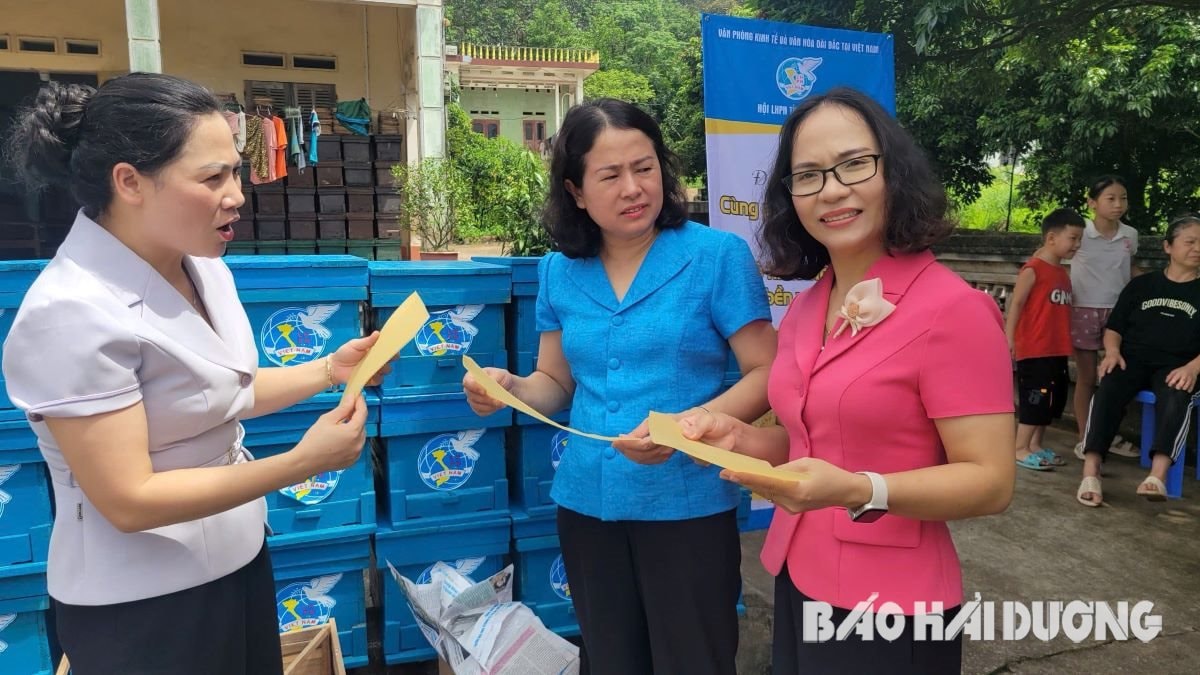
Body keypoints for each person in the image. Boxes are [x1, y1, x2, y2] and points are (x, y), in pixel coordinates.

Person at [0, 74, 388, 675]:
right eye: (212, 178)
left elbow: (220, 394)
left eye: (235, 171)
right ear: (129, 181)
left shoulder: (204, 267)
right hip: (143, 606)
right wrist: (300, 463)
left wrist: (328, 371)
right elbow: (130, 498)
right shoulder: (70, 313)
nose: (237, 194)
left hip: (238, 562)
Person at [677, 87, 1015, 674]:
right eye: (807, 175)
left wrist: (861, 491)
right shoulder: (810, 305)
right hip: (798, 573)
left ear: (895, 172)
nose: (831, 189)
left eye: (854, 164)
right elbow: (814, 445)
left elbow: (990, 482)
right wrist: (738, 439)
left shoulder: (954, 310)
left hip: (892, 605)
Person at [462, 98, 776, 675]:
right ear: (576, 191)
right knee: (610, 658)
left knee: (694, 659)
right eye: (610, 175)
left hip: (686, 503)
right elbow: (554, 382)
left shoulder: (716, 257)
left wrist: (689, 427)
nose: (633, 188)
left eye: (645, 167)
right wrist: (509, 387)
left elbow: (766, 373)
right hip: (587, 504)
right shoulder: (559, 271)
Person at [1076, 214, 1200, 506]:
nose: (1197, 249)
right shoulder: (1142, 285)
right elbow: (1114, 328)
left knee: (1176, 393)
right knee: (1108, 388)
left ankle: (1156, 477)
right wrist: (1113, 352)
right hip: (1131, 359)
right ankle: (1091, 470)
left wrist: (1193, 368)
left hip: (1179, 364)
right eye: (1190, 242)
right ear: (1168, 246)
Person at [1005, 208, 1085, 470]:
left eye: (1079, 239)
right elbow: (1016, 305)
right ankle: (1019, 448)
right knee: (1035, 398)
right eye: (1072, 238)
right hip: (1035, 348)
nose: (1077, 245)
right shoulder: (1033, 269)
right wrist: (1010, 338)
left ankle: (1035, 445)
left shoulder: (1062, 273)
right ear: (1051, 238)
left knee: (1052, 399)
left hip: (1056, 348)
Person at [1071, 175, 1141, 459]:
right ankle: (1085, 438)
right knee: (1087, 377)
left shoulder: (1130, 235)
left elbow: (1129, 269)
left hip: (1119, 313)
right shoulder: (1080, 233)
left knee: (1116, 378)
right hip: (1083, 309)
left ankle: (1108, 436)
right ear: (1092, 203)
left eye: (1122, 198)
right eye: (1110, 198)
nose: (1118, 204)